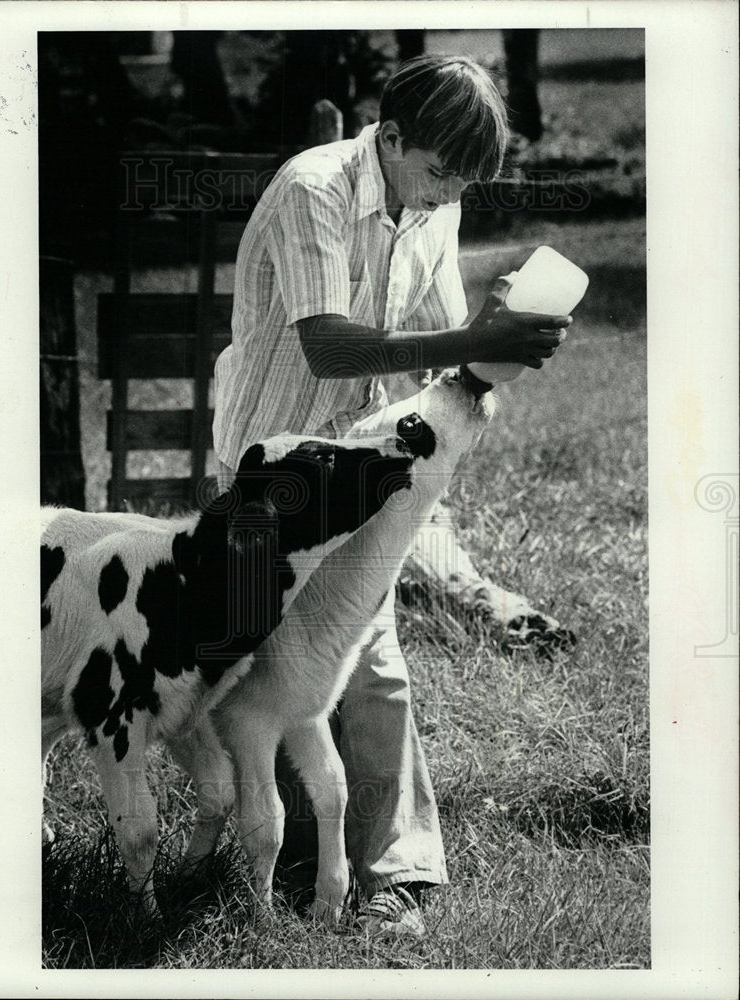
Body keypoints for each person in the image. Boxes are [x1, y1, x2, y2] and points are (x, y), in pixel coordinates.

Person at [211, 54, 571, 936]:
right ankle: (280, 858)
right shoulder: (315, 189)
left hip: (366, 462)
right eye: (441, 172)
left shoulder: (434, 199)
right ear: (393, 135)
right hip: (272, 466)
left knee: (362, 660)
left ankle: (392, 880)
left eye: (462, 183)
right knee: (260, 665)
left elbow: (436, 337)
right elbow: (331, 345)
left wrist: (492, 351)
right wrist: (467, 334)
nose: (448, 193)